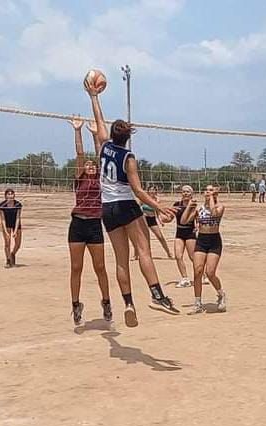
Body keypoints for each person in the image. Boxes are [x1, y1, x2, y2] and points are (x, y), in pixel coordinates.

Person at [86, 80, 179, 327]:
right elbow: (138, 190)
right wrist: (160, 207)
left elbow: (99, 123)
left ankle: (128, 304)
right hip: (126, 205)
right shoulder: (129, 158)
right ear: (128, 137)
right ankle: (157, 294)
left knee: (121, 260)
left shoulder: (103, 147)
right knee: (144, 252)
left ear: (112, 135)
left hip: (107, 210)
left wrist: (93, 96)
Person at [66, 117, 112, 326]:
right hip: (77, 225)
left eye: (93, 165)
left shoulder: (101, 178)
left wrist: (95, 134)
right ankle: (76, 305)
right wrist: (77, 130)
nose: (90, 166)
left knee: (100, 267)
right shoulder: (80, 178)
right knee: (76, 268)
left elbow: (100, 155)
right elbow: (80, 155)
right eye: (88, 165)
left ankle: (106, 302)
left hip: (94, 225)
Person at [182, 185, 227, 314]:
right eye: (206, 190)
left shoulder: (220, 207)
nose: (208, 192)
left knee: (210, 272)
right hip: (201, 241)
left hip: (214, 241)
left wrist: (211, 198)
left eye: (211, 190)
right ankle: (198, 303)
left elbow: (214, 213)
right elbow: (184, 221)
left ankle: (221, 294)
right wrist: (189, 207)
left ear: (216, 193)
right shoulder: (199, 209)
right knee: (198, 271)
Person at [161, 185, 196, 288]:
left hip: (190, 233)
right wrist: (163, 217)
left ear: (191, 194)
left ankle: (202, 274)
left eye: (187, 192)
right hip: (179, 233)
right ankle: (185, 278)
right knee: (178, 256)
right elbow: (170, 218)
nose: (185, 193)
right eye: (183, 192)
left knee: (192, 257)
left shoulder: (193, 205)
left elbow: (188, 220)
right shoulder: (177, 204)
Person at [140, 186, 173, 259]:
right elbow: (139, 208)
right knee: (144, 238)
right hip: (143, 219)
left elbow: (157, 211)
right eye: (151, 190)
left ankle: (169, 253)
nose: (152, 191)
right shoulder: (143, 198)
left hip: (152, 219)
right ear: (148, 191)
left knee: (160, 236)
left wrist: (160, 221)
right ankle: (138, 255)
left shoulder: (157, 200)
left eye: (154, 190)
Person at [0, 188, 23, 268]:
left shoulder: (18, 205)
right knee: (7, 243)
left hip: (16, 224)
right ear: (5, 196)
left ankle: (12, 254)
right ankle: (8, 260)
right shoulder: (2, 205)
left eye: (12, 194)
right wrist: (5, 231)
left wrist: (15, 231)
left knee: (18, 244)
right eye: (8, 194)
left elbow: (18, 218)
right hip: (7, 224)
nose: (10, 196)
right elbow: (3, 219)